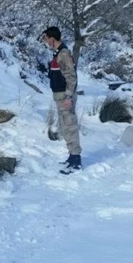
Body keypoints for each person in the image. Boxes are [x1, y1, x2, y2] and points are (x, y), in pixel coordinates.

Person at [42, 26, 82, 174]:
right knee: (65, 126)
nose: (45, 42)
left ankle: (76, 159)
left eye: (46, 39)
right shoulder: (58, 53)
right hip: (59, 96)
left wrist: (68, 96)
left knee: (70, 125)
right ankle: (72, 156)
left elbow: (71, 77)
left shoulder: (63, 54)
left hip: (65, 97)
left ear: (52, 38)